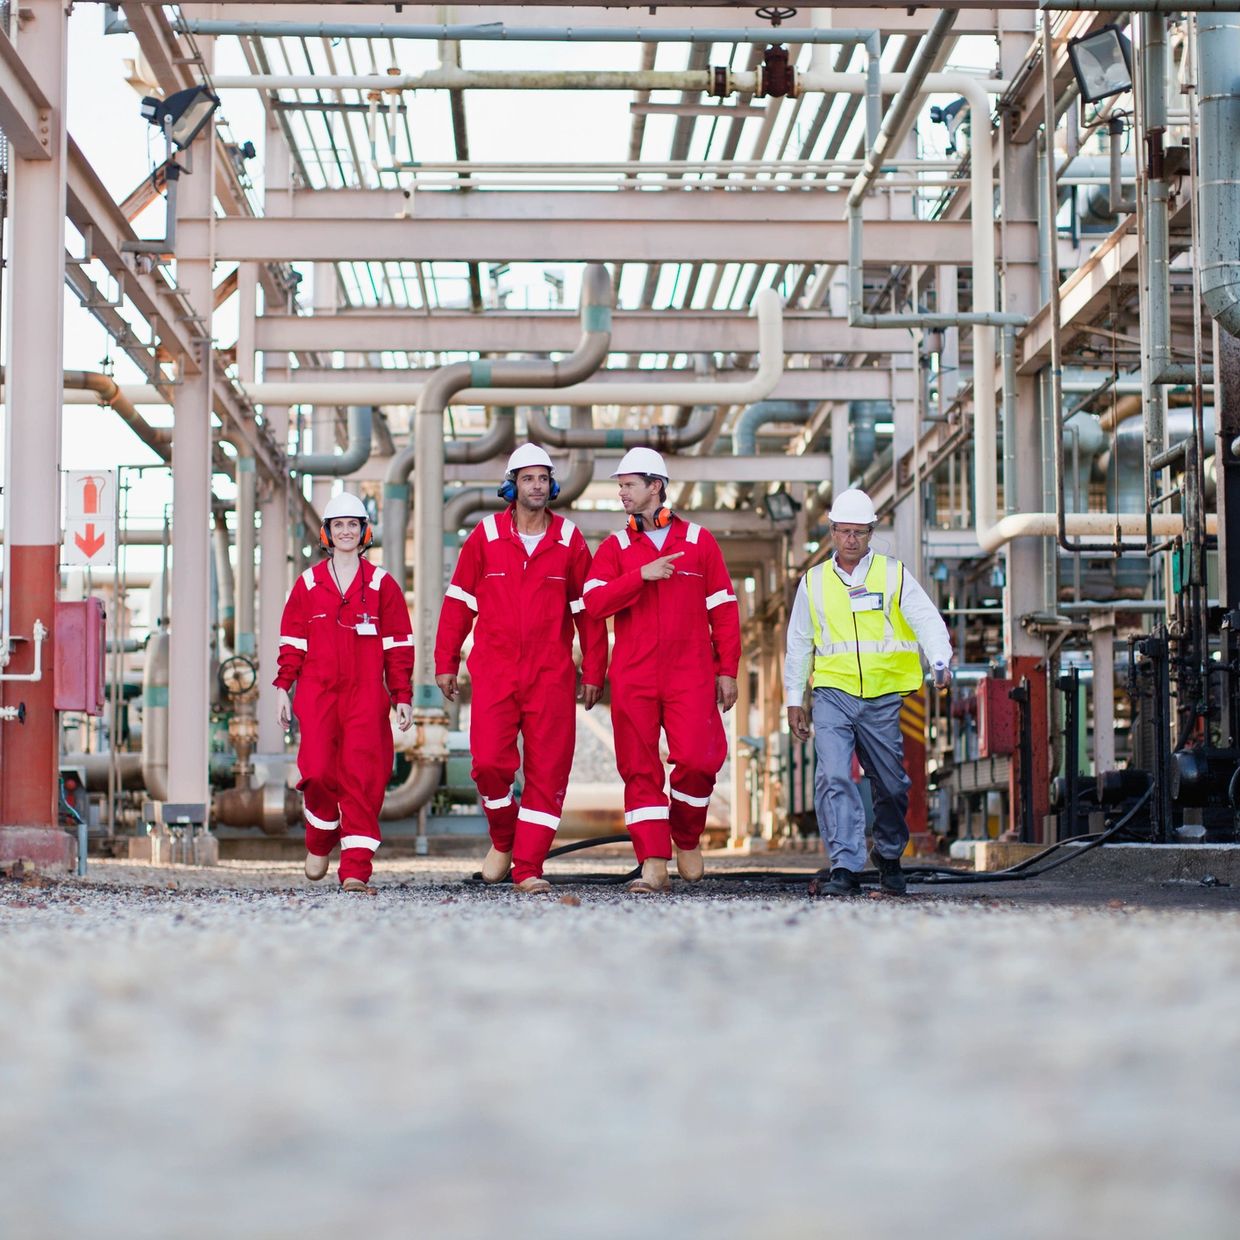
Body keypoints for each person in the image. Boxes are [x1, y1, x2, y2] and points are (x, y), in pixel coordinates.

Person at [435, 443, 606, 894]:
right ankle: (504, 839)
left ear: (553, 485)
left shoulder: (569, 541)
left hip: (550, 673)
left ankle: (528, 867)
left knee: (549, 772)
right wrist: (445, 660)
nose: (537, 486)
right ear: (512, 485)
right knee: (489, 762)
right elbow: (458, 603)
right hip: (494, 669)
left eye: (543, 478)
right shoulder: (486, 536)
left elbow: (587, 612)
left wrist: (592, 670)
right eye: (528, 478)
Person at [583, 447, 740, 893]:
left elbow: (724, 609)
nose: (621, 494)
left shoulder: (698, 542)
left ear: (656, 486)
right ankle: (653, 862)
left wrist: (726, 668)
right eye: (619, 486)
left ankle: (686, 836)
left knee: (697, 758)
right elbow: (594, 604)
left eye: (629, 485)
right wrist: (640, 576)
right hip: (634, 674)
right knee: (640, 768)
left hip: (690, 672)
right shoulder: (614, 548)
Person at [783, 489, 952, 897]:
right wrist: (794, 698)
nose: (852, 540)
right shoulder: (815, 582)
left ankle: (889, 857)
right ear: (832, 531)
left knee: (892, 785)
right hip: (833, 693)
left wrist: (940, 659)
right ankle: (845, 865)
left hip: (882, 696)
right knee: (835, 775)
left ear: (872, 532)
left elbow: (925, 618)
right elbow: (799, 642)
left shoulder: (892, 574)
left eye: (860, 532)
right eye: (844, 532)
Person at [274, 492, 414, 891]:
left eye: (354, 524)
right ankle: (320, 838)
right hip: (317, 694)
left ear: (364, 531)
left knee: (362, 779)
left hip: (366, 696)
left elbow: (399, 645)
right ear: (327, 534)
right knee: (317, 772)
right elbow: (292, 642)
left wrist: (401, 695)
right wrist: (283, 686)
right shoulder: (308, 584)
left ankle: (355, 869)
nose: (347, 531)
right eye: (339, 525)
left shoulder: (383, 584)